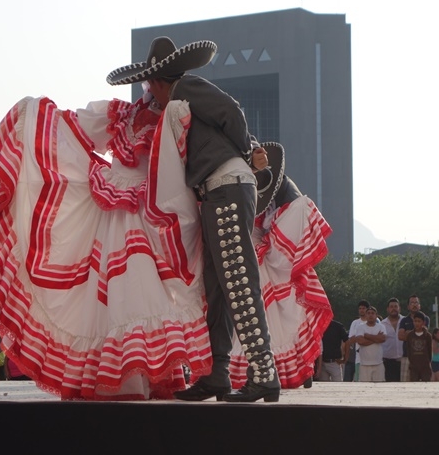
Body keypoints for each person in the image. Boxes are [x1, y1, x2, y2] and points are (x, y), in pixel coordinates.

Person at [0, 73, 212, 399]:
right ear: (151, 82)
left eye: (166, 81)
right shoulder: (124, 114)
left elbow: (194, 163)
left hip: (154, 208)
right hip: (116, 211)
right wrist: (42, 117)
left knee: (145, 293)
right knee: (122, 292)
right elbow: (78, 127)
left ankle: (147, 377)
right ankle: (128, 381)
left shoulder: (181, 116)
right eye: (157, 81)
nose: (158, 87)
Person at [107, 36, 279, 403]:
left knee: (237, 278)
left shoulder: (186, 87)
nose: (148, 93)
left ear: (155, 81)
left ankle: (264, 373)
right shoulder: (180, 106)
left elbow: (231, 111)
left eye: (149, 85)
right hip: (217, 191)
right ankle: (218, 374)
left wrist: (246, 152)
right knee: (217, 287)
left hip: (226, 186)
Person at [227, 143, 333, 389]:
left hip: (270, 252)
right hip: (254, 250)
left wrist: (275, 237)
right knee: (267, 313)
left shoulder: (281, 184)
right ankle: (281, 370)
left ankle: (296, 369)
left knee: (285, 310)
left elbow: (297, 208)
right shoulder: (237, 182)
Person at [398, 294, 430, 382]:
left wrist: (408, 333)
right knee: (405, 383)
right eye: (412, 303)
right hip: (407, 356)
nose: (414, 304)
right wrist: (414, 333)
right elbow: (400, 336)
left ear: (419, 305)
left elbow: (423, 333)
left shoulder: (426, 319)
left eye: (416, 302)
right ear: (408, 306)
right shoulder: (404, 320)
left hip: (422, 357)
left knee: (424, 383)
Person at [354, 306, 386, 382]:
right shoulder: (360, 327)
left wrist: (367, 336)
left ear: (376, 315)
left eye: (372, 313)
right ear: (366, 315)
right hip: (364, 364)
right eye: (368, 313)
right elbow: (360, 341)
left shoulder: (381, 327)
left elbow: (382, 339)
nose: (370, 315)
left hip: (378, 364)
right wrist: (376, 338)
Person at [347, 299, 371, 382]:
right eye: (360, 308)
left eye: (363, 308)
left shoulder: (376, 321)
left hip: (373, 357)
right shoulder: (355, 323)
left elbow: (378, 338)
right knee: (359, 381)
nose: (361, 310)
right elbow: (351, 340)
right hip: (359, 358)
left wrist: (361, 337)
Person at [381, 297, 404, 382]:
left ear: (399, 308)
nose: (393, 309)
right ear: (387, 309)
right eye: (391, 307)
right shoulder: (382, 324)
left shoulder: (405, 321)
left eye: (395, 306)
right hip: (387, 362)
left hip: (403, 361)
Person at [405, 311, 432, 382]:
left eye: (419, 321)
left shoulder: (427, 336)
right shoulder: (410, 335)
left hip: (425, 366)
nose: (417, 323)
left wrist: (428, 362)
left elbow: (430, 350)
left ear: (423, 323)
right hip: (414, 366)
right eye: (415, 321)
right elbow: (409, 350)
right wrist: (411, 362)